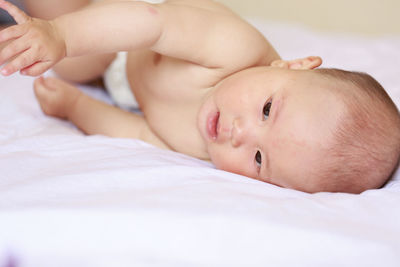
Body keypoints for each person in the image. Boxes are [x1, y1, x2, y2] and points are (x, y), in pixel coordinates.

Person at [0, 0, 399, 193]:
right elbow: (152, 24)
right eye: (266, 110)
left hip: (114, 70)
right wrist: (62, 35)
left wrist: (76, 107)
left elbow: (141, 133)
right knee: (68, 39)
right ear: (292, 66)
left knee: (76, 69)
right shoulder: (232, 49)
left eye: (259, 159)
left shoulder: (210, 148)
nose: (240, 133)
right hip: (128, 17)